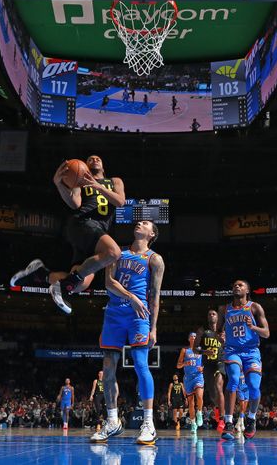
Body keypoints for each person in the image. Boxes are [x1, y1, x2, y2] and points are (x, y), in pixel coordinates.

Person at [11, 155, 125, 314]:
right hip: (83, 223)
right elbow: (74, 203)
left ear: (103, 166)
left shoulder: (115, 181)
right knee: (113, 252)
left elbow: (120, 201)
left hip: (97, 232)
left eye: (97, 158)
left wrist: (97, 186)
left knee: (81, 284)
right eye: (90, 159)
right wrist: (59, 184)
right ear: (85, 165)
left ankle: (41, 274)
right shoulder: (81, 179)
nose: (94, 159)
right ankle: (62, 288)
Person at [89, 220, 164, 445]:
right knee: (108, 367)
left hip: (139, 316)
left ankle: (148, 424)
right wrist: (130, 297)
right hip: (114, 312)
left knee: (141, 364)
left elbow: (155, 295)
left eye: (146, 224)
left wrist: (154, 328)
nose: (139, 223)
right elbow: (108, 282)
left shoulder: (154, 259)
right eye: (139, 222)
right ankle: (113, 421)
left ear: (151, 234)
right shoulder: (118, 252)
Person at [219, 279, 270, 440]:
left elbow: (266, 333)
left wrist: (253, 327)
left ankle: (251, 418)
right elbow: (218, 332)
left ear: (247, 290)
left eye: (240, 285)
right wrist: (220, 337)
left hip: (251, 351)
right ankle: (228, 422)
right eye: (234, 285)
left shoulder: (254, 307)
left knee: (254, 387)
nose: (236, 286)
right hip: (233, 350)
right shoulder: (224, 309)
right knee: (233, 378)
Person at [195, 308, 226, 432]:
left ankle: (224, 420)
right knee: (213, 395)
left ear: (218, 317)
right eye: (210, 314)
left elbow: (230, 345)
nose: (212, 315)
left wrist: (225, 341)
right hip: (208, 364)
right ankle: (218, 409)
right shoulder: (202, 331)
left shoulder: (223, 331)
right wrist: (204, 351)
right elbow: (194, 348)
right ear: (208, 317)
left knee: (219, 387)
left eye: (214, 314)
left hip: (220, 362)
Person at [177, 332, 204, 433]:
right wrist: (185, 363)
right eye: (192, 336)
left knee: (200, 396)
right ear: (189, 339)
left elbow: (206, 364)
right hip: (188, 378)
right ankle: (193, 423)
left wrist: (203, 368)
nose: (193, 337)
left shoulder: (201, 350)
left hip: (198, 376)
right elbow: (178, 365)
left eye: (195, 336)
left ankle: (200, 413)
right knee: (191, 403)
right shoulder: (185, 350)